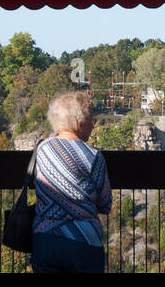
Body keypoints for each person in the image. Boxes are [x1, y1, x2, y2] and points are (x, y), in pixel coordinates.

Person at [31, 91, 112, 273]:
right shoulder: (93, 156)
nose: (93, 125)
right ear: (80, 124)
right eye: (92, 120)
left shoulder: (42, 149)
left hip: (46, 238)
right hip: (84, 241)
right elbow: (105, 204)